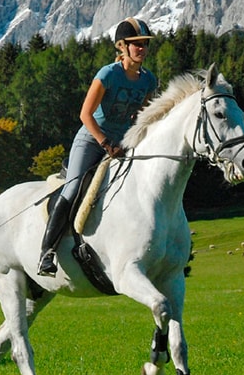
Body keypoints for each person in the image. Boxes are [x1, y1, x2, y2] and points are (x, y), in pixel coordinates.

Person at [37, 17, 158, 276]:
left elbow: (142, 116)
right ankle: (46, 252)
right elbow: (85, 115)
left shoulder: (149, 81)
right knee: (72, 190)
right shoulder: (108, 74)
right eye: (136, 44)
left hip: (122, 144)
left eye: (145, 44)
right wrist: (105, 143)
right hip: (92, 140)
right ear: (122, 46)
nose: (142, 49)